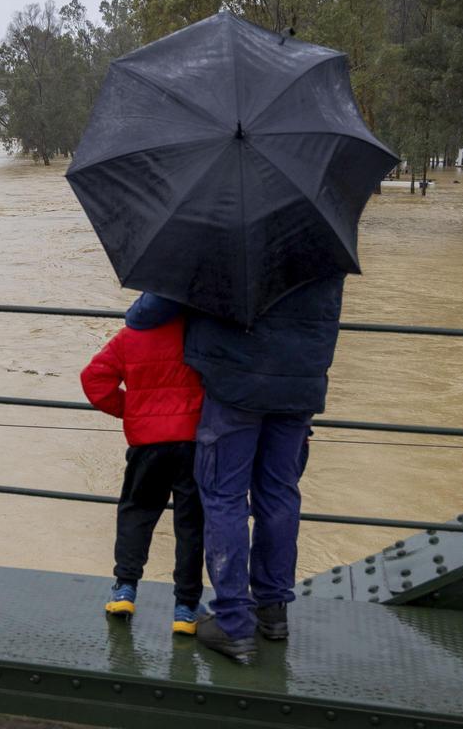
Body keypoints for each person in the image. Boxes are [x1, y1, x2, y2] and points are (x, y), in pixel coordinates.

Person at [126, 276, 344, 663]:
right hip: (301, 384)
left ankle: (232, 622)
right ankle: (273, 610)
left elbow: (146, 315)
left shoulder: (218, 232)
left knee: (224, 496)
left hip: (234, 385)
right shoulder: (322, 236)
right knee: (279, 493)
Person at [80, 295, 206, 635]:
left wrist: (131, 410)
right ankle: (185, 608)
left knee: (137, 511)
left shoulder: (128, 336)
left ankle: (125, 589)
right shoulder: (196, 333)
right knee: (191, 524)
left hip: (146, 444)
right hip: (192, 442)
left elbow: (94, 380)